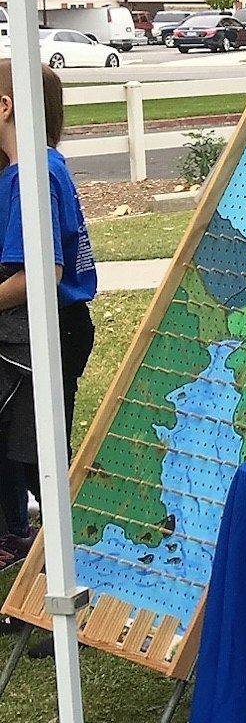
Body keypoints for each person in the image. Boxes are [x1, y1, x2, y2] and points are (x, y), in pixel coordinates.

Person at [0, 62, 97, 576]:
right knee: (26, 453)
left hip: (48, 330)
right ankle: (33, 550)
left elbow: (39, 275)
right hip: (48, 329)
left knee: (42, 461)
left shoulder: (31, 176)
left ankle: (85, 570)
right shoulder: (41, 164)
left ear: (5, 106)